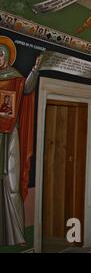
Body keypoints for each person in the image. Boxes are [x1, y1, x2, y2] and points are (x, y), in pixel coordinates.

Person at [0, 46, 40, 246]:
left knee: (12, 181)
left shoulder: (15, 77)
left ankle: (16, 234)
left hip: (11, 133)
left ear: (7, 57)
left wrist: (35, 69)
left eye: (1, 54)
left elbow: (28, 88)